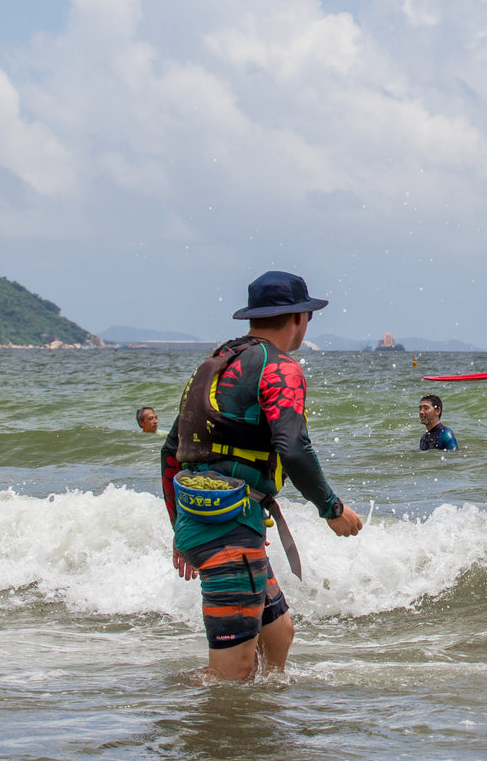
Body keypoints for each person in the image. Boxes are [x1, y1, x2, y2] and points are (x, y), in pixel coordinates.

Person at [159, 270, 363, 681]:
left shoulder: (215, 362)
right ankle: (188, 724)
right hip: (228, 526)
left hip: (209, 518)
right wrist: (332, 508)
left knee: (279, 633)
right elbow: (293, 447)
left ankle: (261, 724)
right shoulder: (280, 367)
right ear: (299, 318)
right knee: (232, 670)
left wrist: (181, 528)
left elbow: (171, 451)